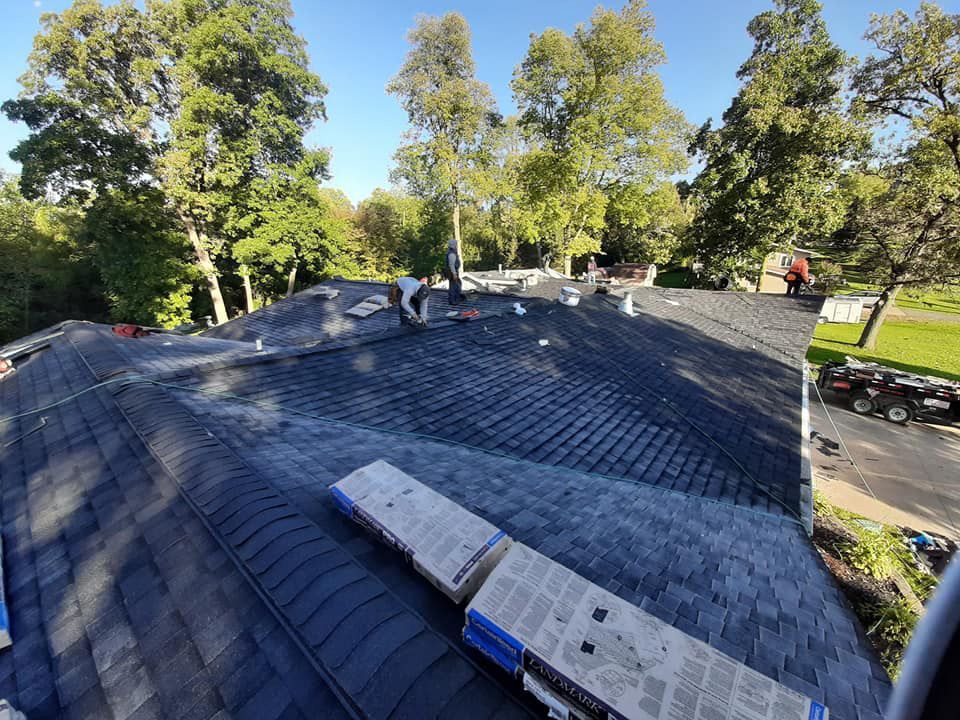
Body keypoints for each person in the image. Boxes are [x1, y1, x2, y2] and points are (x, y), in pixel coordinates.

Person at [445, 238, 465, 304]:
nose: (456, 245)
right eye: (456, 244)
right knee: (455, 286)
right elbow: (451, 265)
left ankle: (455, 299)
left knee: (454, 285)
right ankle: (454, 300)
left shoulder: (451, 252)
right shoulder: (452, 254)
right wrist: (454, 274)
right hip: (453, 272)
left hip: (452, 271)